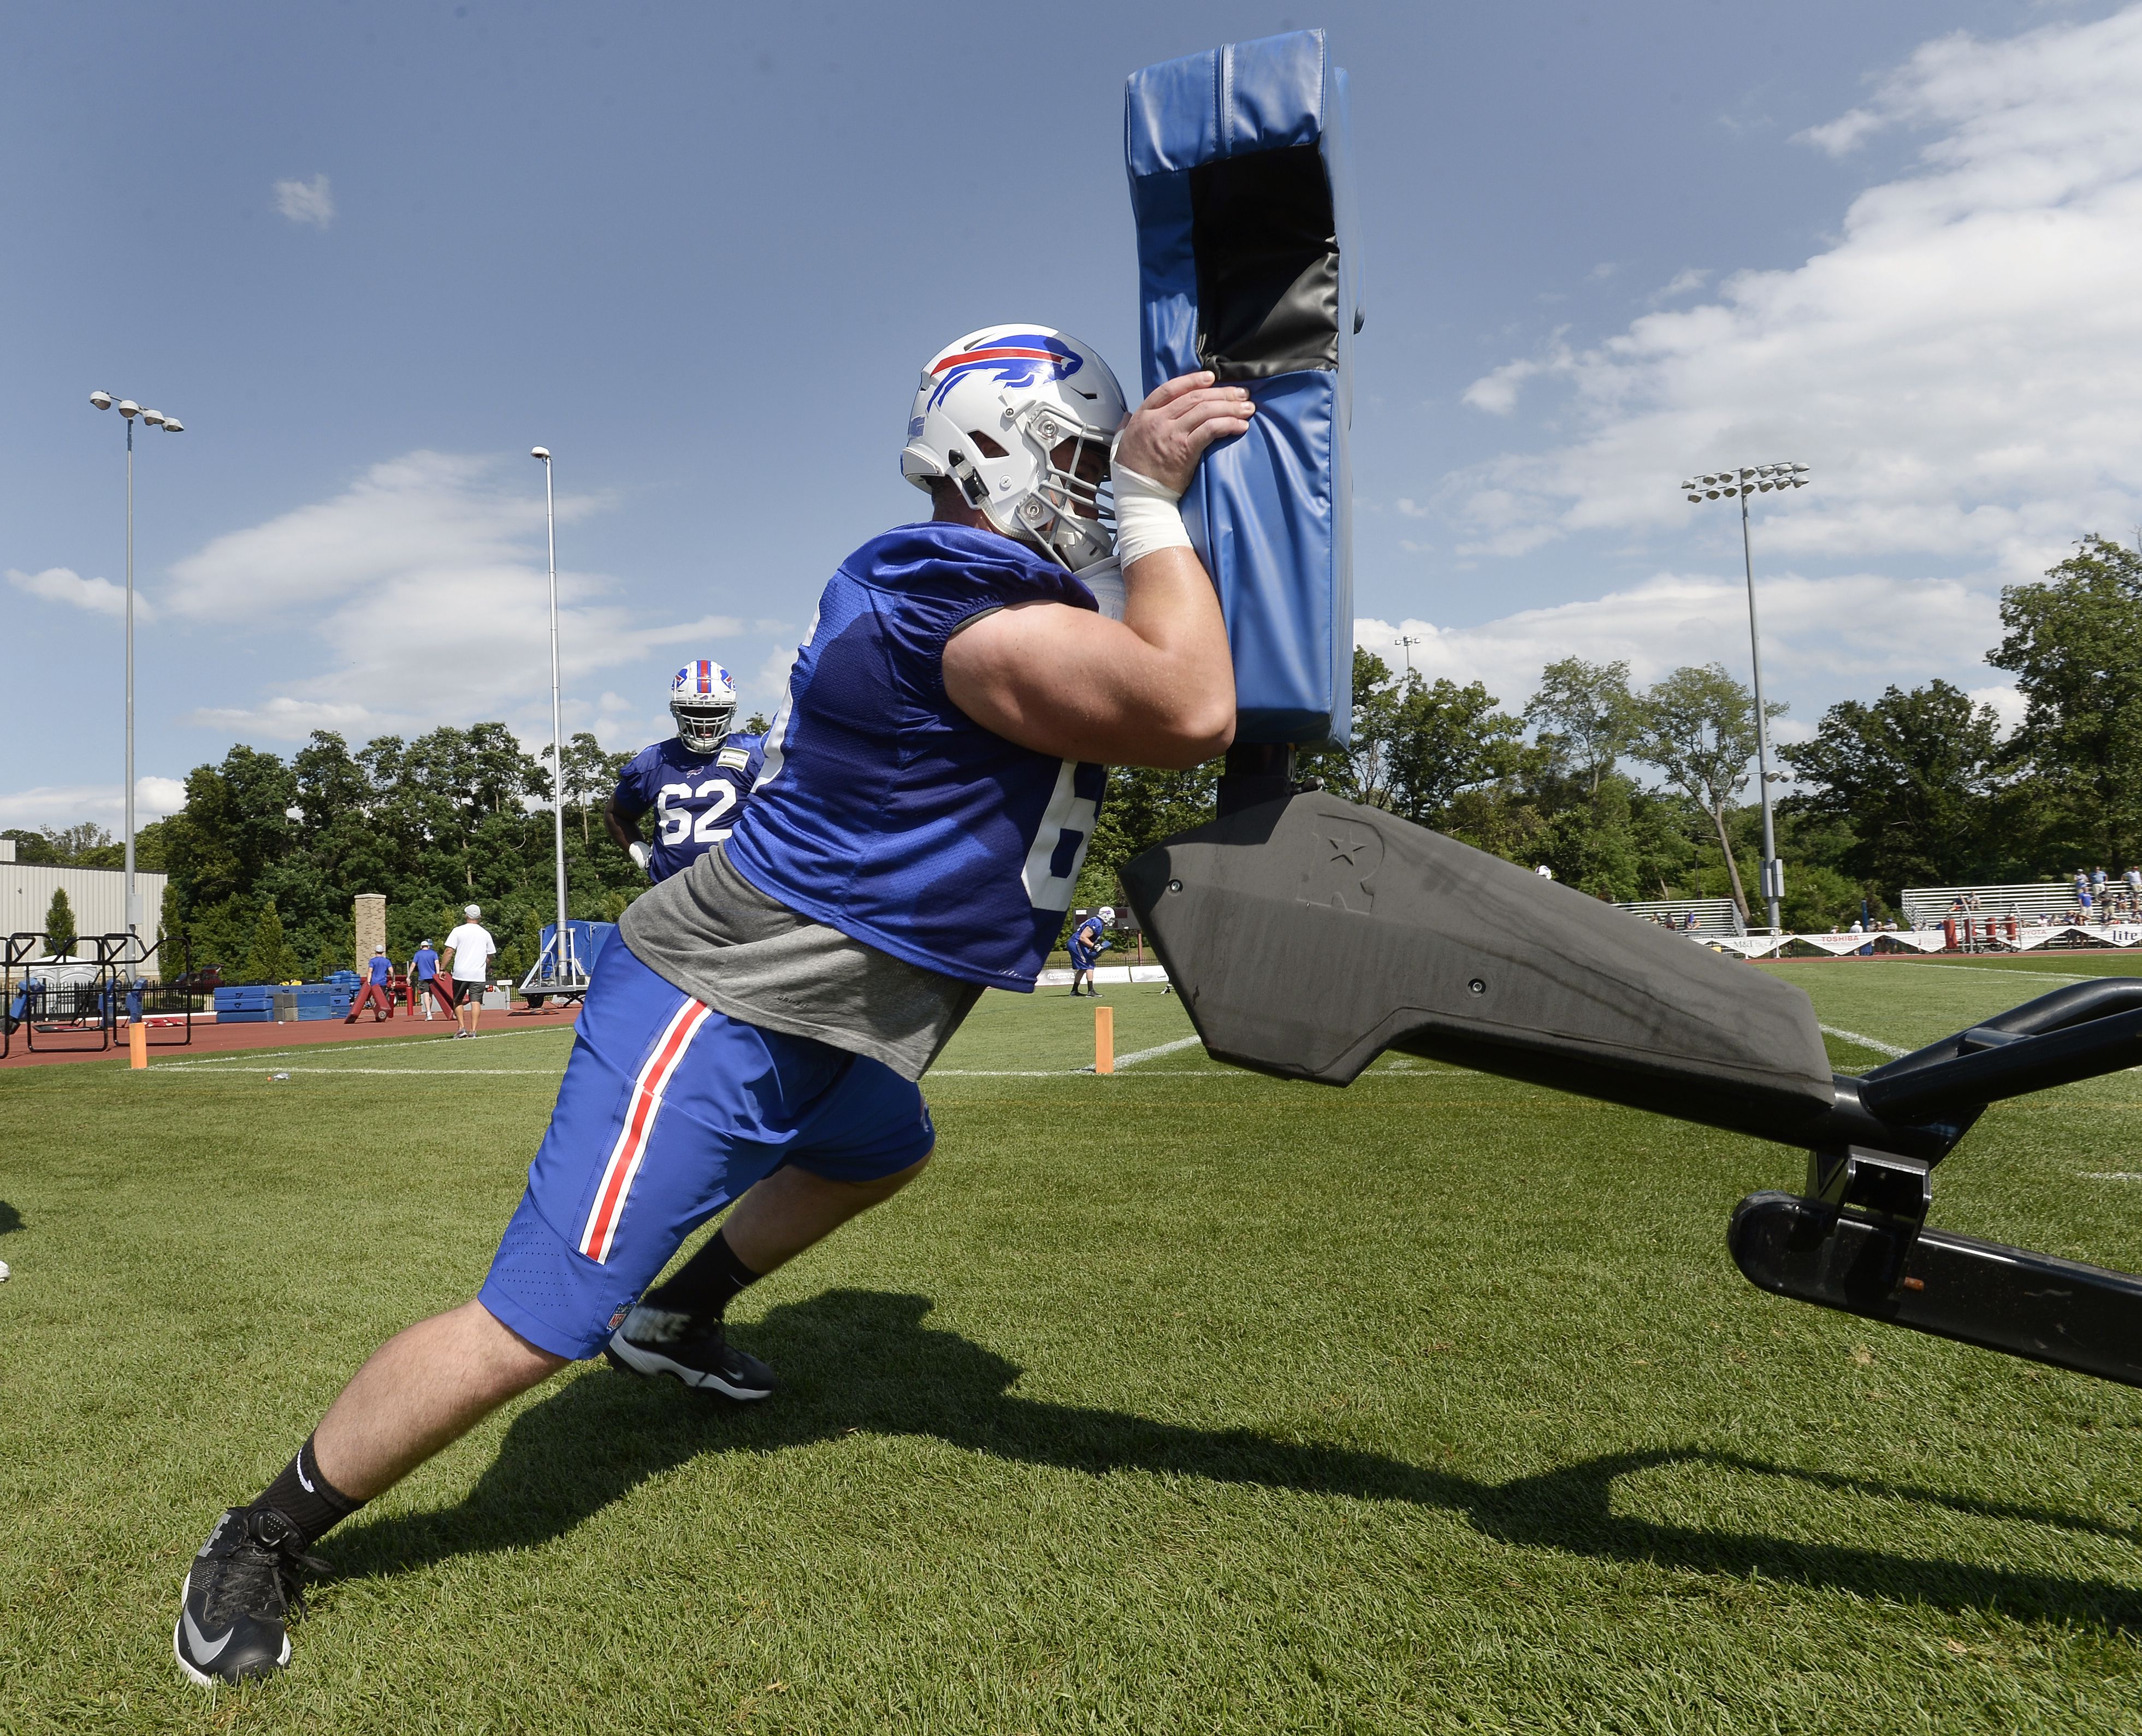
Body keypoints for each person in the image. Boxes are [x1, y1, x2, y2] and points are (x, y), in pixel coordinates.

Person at [170, 325, 1249, 1685]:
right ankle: (263, 1532)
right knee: (533, 1324)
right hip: (718, 1000)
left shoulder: (980, 587)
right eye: (1085, 458)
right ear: (1003, 449)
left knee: (883, 1146)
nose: (1101, 484)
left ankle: (675, 1319)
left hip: (822, 1017)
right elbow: (1192, 702)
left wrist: (1169, 489)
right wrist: (1149, 506)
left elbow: (1160, 628)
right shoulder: (938, 595)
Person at [604, 663, 768, 884]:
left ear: (730, 711)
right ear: (677, 711)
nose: (704, 723)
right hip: (671, 892)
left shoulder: (756, 755)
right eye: (693, 711)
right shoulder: (654, 761)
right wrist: (642, 855)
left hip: (740, 890)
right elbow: (616, 814)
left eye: (714, 711)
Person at [440, 905, 496, 1039]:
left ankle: (461, 1028)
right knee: (476, 1001)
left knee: (458, 1000)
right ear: (480, 917)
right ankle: (474, 1030)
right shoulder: (485, 933)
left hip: (461, 973)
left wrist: (442, 968)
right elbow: (491, 955)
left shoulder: (458, 931)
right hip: (478, 974)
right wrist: (485, 965)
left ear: (466, 916)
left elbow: (449, 951)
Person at [342, 947, 395, 1023]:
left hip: (374, 983)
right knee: (380, 1001)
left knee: (372, 999)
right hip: (382, 983)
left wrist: (369, 981)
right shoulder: (387, 961)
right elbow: (392, 971)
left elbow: (370, 971)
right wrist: (393, 981)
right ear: (383, 952)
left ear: (375, 952)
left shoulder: (372, 961)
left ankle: (357, 1009)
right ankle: (380, 1016)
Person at [1067, 911, 1108, 997]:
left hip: (1077, 944)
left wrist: (1092, 947)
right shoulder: (1096, 922)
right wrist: (1094, 946)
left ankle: (1074, 991)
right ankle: (1091, 991)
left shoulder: (1098, 922)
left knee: (1083, 968)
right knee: (1089, 964)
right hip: (1077, 943)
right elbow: (1083, 937)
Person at [410, 939, 451, 1021]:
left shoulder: (418, 954)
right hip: (432, 977)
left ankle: (428, 1013)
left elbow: (413, 965)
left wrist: (409, 976)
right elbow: (437, 963)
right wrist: (438, 974)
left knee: (426, 994)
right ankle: (429, 1012)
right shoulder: (433, 953)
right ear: (428, 946)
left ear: (421, 947)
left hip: (423, 977)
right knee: (430, 995)